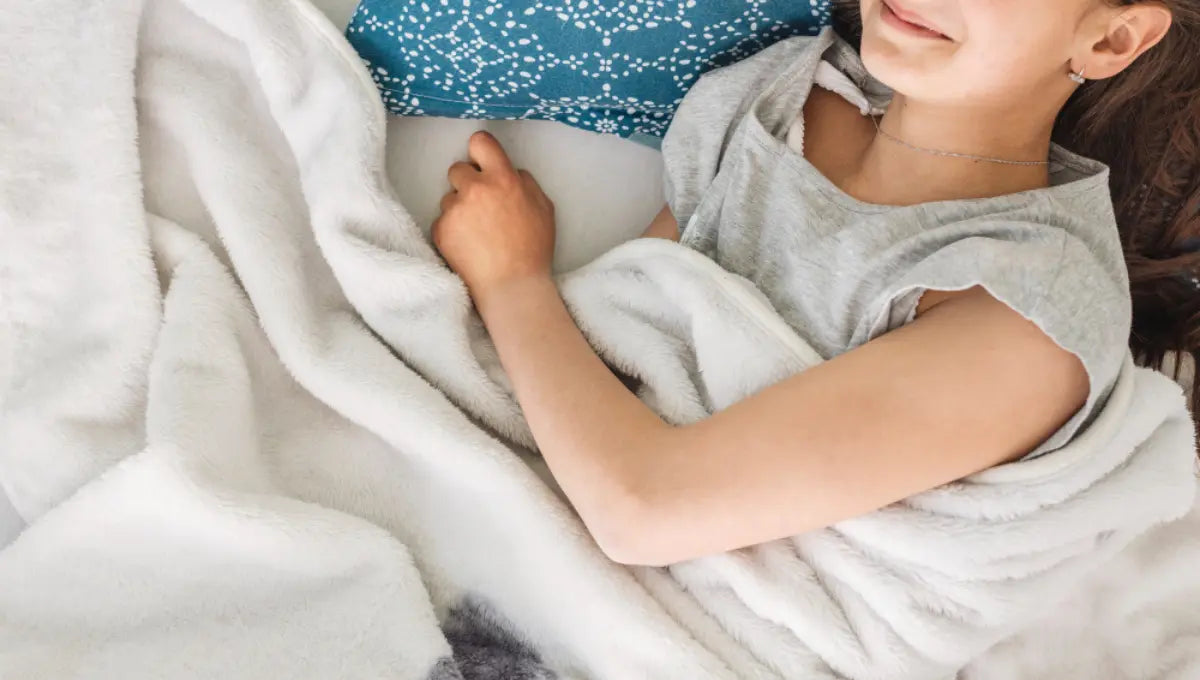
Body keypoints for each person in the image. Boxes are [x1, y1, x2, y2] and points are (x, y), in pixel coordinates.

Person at [430, 0, 1199, 567]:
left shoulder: (1029, 313)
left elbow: (644, 512)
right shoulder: (781, 95)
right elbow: (618, 341)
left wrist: (512, 278)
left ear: (1110, 38)